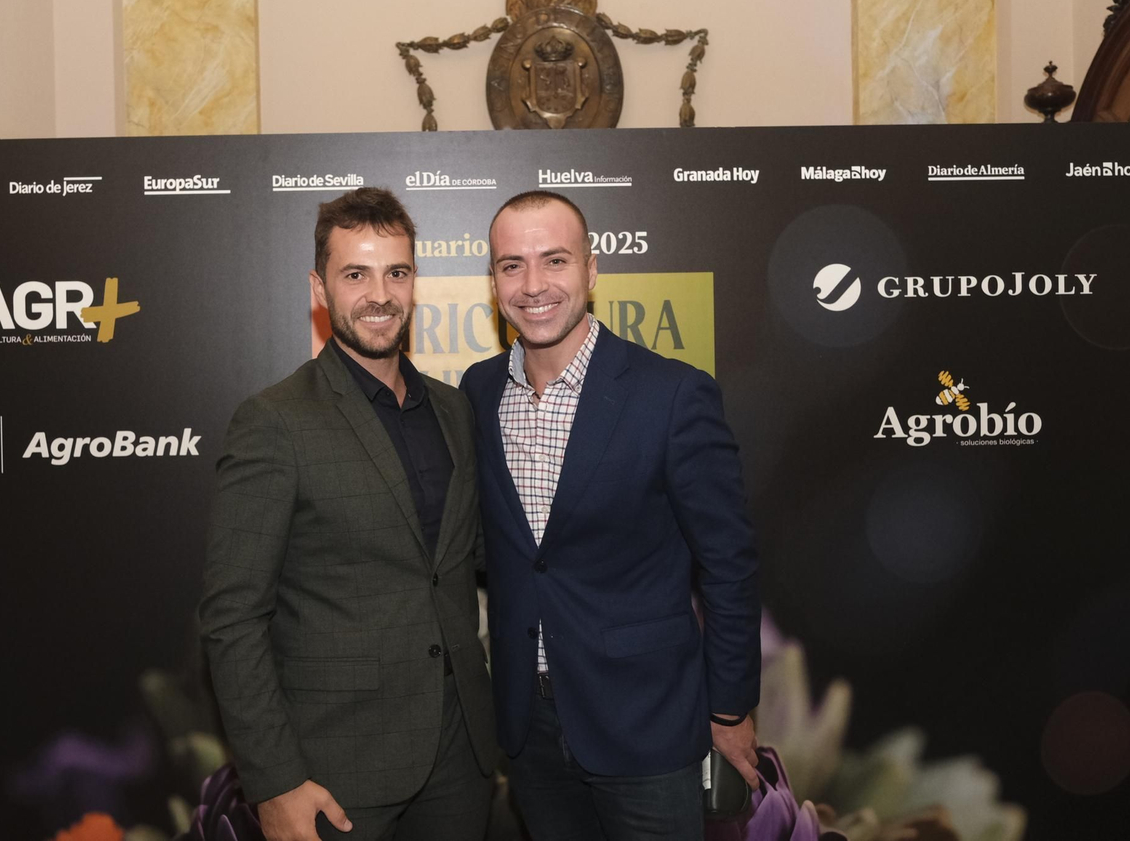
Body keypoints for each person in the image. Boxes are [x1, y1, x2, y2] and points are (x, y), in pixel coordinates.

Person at [459, 190, 762, 840]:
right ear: (493, 281)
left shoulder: (673, 394)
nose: (533, 284)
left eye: (554, 260)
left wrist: (732, 709)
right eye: (512, 265)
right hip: (527, 726)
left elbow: (728, 566)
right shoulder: (478, 391)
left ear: (592, 270)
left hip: (645, 720)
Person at [199, 187, 496, 841]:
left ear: (415, 280)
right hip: (337, 770)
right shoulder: (275, 421)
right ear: (319, 285)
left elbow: (471, 562)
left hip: (461, 759)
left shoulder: (454, 411)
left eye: (396, 271)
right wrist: (274, 781)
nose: (379, 294)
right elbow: (232, 616)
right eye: (355, 274)